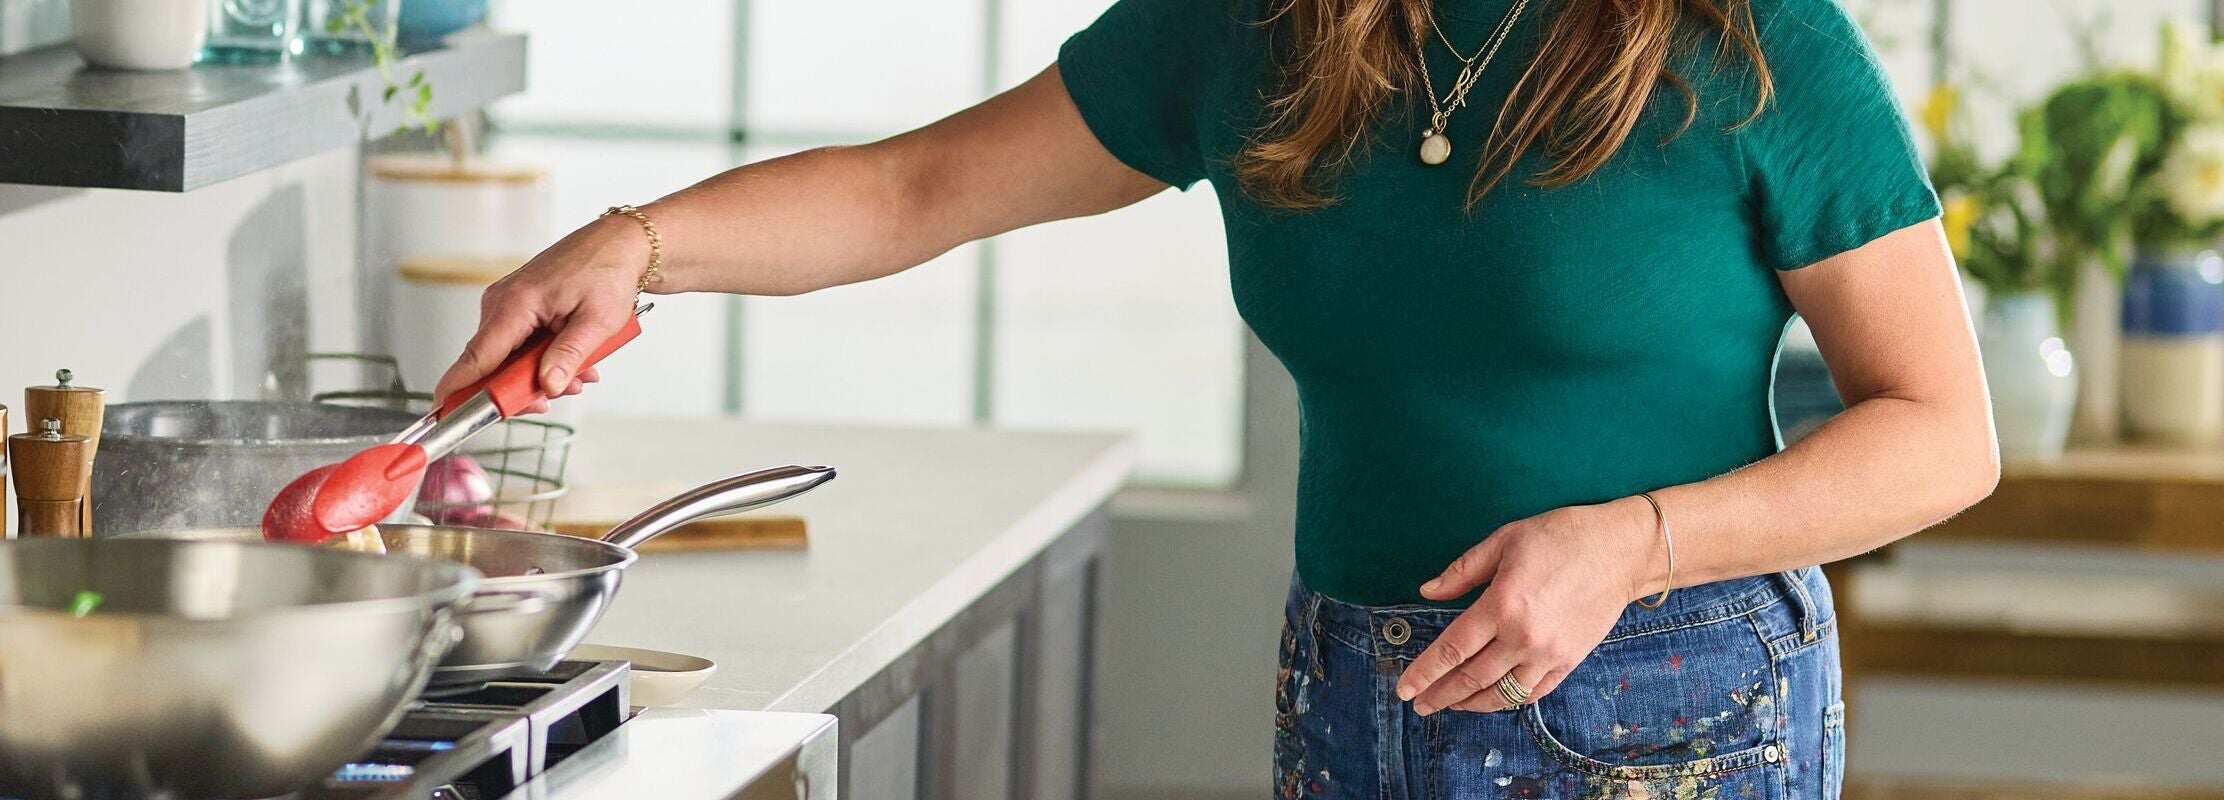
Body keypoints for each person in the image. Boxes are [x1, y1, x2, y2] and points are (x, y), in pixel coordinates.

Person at [435, 0, 1996, 795]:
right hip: (1354, 673)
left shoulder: (1754, 40)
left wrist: (1633, 541)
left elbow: (1940, 431)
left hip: (1668, 690)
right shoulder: (1259, 25)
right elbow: (919, 189)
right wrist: (637, 251)